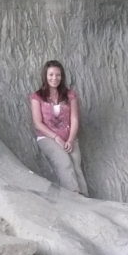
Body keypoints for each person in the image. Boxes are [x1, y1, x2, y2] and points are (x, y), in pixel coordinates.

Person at [29, 59, 89, 195]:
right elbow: (37, 123)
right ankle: (74, 197)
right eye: (51, 75)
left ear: (62, 77)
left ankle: (87, 199)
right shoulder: (36, 97)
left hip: (69, 136)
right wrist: (56, 138)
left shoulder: (70, 95)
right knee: (64, 162)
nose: (54, 78)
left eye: (58, 75)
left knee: (76, 165)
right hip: (47, 137)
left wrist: (70, 139)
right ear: (45, 76)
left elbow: (74, 119)